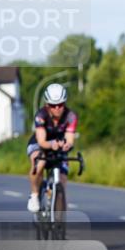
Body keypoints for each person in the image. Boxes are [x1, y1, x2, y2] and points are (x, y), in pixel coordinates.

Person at [26, 83, 78, 213]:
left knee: (63, 181)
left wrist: (67, 145)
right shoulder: (41, 115)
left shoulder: (71, 116)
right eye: (53, 105)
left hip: (59, 144)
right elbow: (42, 141)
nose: (57, 108)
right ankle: (34, 195)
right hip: (41, 143)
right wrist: (52, 144)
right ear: (47, 105)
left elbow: (70, 139)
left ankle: (59, 222)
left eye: (60, 104)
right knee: (38, 163)